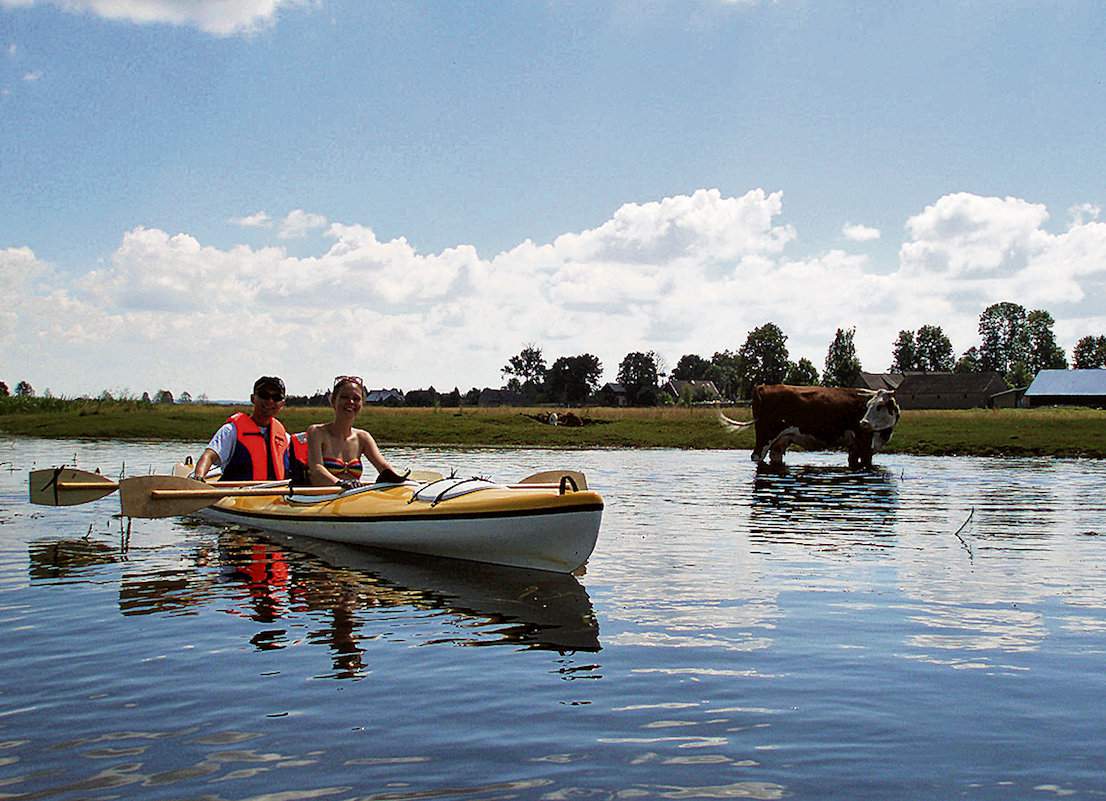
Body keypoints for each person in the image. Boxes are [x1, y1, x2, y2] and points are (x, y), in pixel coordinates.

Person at [306, 375, 407, 489]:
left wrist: (402, 480)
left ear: (362, 403)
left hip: (351, 499)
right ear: (333, 400)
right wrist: (340, 483)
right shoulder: (316, 432)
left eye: (356, 398)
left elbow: (383, 466)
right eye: (344, 397)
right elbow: (316, 470)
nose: (351, 402)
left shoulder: (363, 437)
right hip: (321, 500)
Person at [191, 376, 290, 482]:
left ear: (282, 403)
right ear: (253, 398)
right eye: (264, 395)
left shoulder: (285, 438)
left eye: (276, 397)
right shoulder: (231, 431)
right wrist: (198, 477)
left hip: (275, 496)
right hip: (235, 495)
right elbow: (209, 456)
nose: (270, 401)